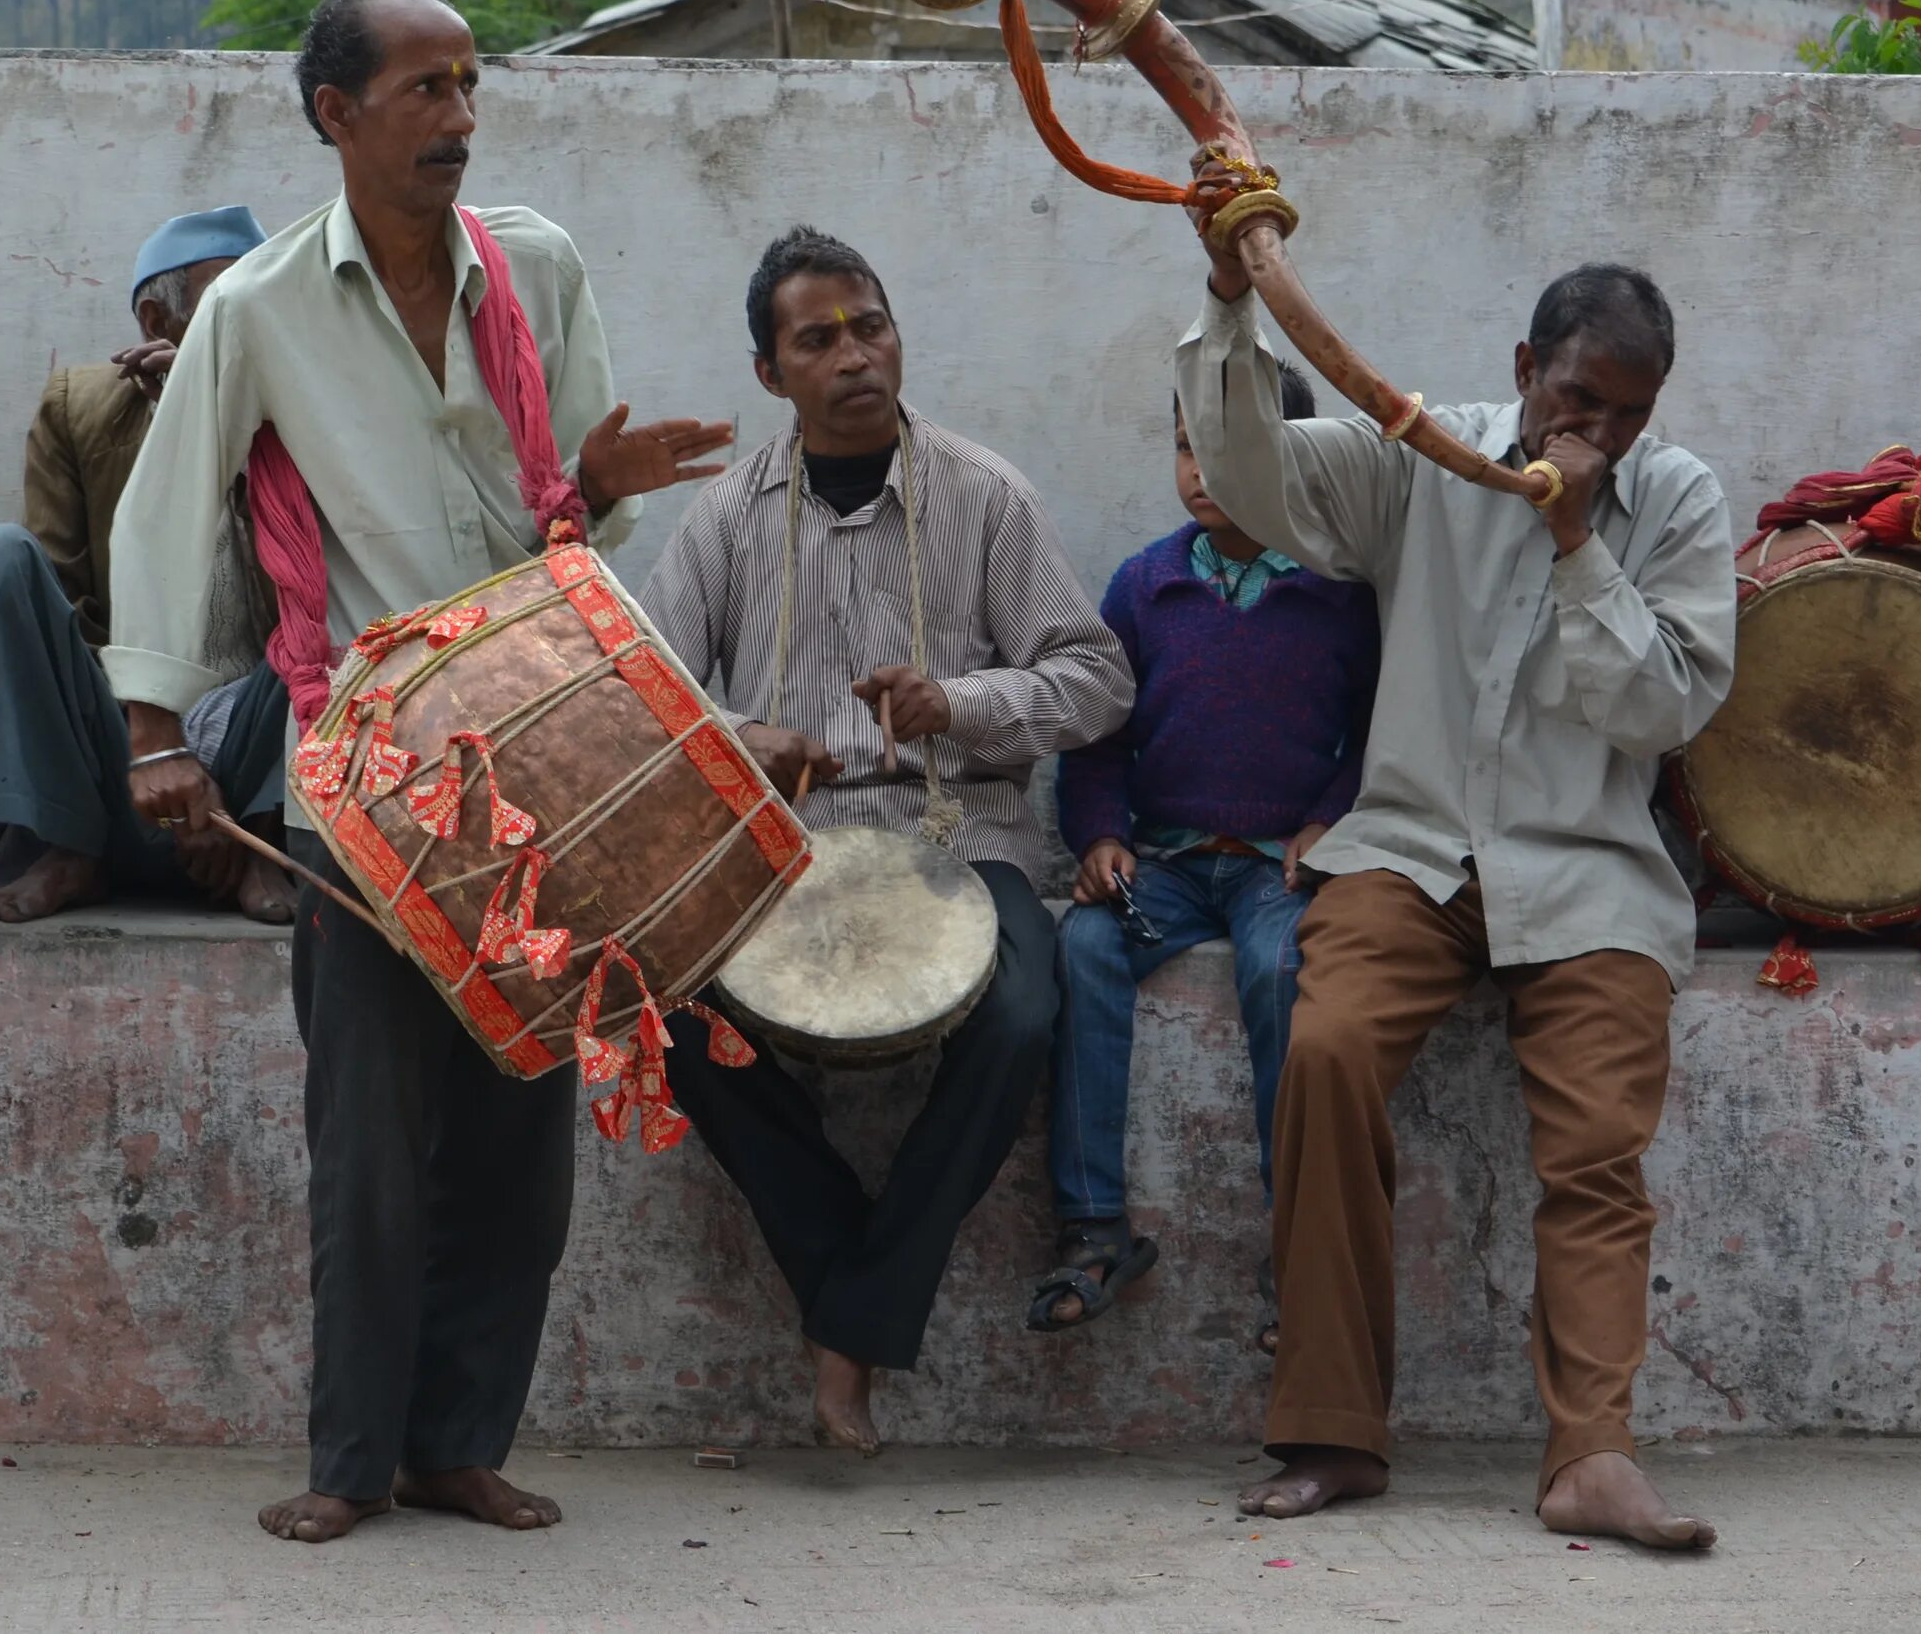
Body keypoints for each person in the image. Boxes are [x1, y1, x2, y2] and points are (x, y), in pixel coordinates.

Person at [108, 0, 734, 1543]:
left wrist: (599, 474)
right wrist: (154, 732)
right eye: (424, 90)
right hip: (368, 770)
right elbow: (168, 515)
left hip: (545, 751)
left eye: (469, 86)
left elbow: (574, 509)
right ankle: (347, 1459)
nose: (459, 118)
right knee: (372, 1135)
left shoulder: (535, 262)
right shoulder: (254, 309)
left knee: (522, 1131)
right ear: (334, 114)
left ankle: (461, 1441)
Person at [1178, 197, 1735, 1549]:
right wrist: (1232, 298)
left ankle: (1591, 1455)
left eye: (1626, 415)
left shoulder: (1678, 501)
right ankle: (1331, 1429)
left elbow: (1661, 709)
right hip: (1414, 850)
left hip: (1591, 872)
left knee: (1598, 1142)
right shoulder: (1420, 453)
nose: (1596, 434)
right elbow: (1253, 478)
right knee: (1325, 1049)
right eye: (1577, 399)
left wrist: (1577, 534)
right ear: (1523, 364)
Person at [640, 225, 1133, 1456]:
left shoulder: (985, 492)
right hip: (785, 847)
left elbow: (1096, 676)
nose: (856, 354)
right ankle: (856, 1287)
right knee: (676, 1019)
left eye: (872, 324)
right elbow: (642, 689)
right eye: (820, 338)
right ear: (773, 373)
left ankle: (847, 1320)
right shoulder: (724, 519)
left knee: (1022, 1011)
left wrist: (962, 704)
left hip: (966, 833)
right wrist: (738, 734)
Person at [1035, 361, 1380, 1349]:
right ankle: (1095, 1225)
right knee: (1088, 951)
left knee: (1283, 972)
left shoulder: (1340, 593)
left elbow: (1373, 734)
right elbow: (1097, 736)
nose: (1202, 468)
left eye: (1231, 447)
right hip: (1170, 866)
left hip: (1281, 867)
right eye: (1188, 444)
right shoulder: (1147, 587)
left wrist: (1329, 822)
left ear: (1296, 461)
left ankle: (1299, 1247)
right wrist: (1100, 834)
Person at [0, 206, 296, 925]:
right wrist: (159, 753)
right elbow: (57, 612)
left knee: (353, 603)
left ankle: (264, 841)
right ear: (159, 320)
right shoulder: (84, 408)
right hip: (112, 755)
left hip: (256, 742)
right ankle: (64, 845)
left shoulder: (299, 410)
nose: (255, 326)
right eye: (230, 307)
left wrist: (248, 432)